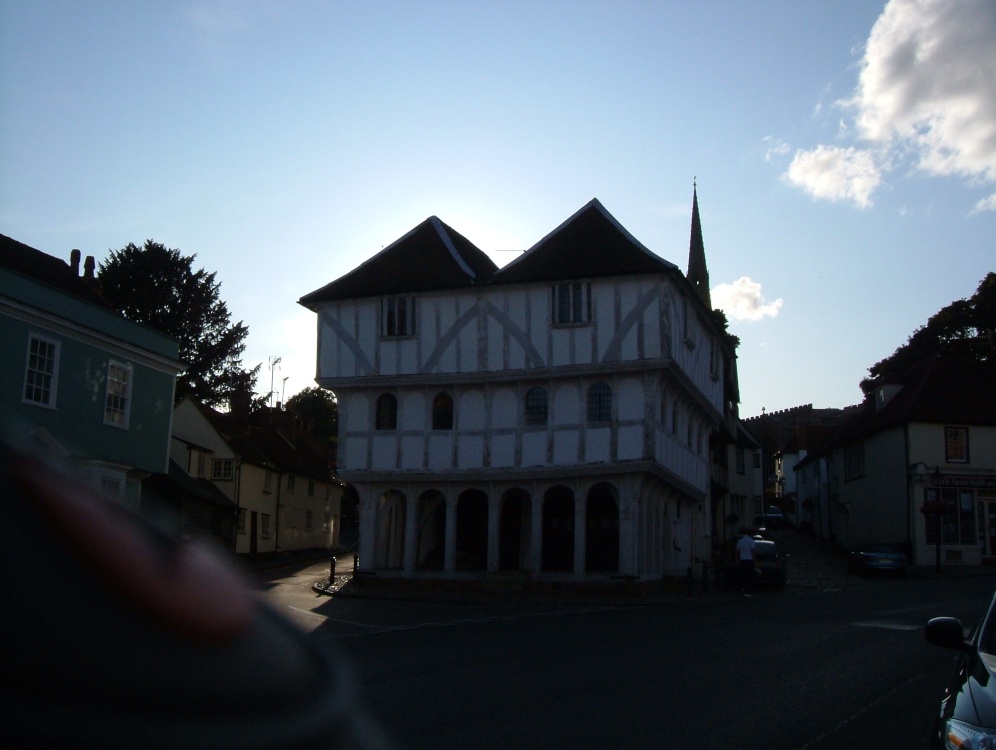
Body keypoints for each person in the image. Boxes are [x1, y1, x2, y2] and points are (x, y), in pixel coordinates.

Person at [735, 529, 757, 597]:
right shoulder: (752, 541)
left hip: (742, 560)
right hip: (749, 560)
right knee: (749, 576)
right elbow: (753, 551)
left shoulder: (740, 541)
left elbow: (737, 551)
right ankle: (747, 592)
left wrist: (737, 559)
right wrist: (755, 560)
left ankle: (743, 588)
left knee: (743, 575)